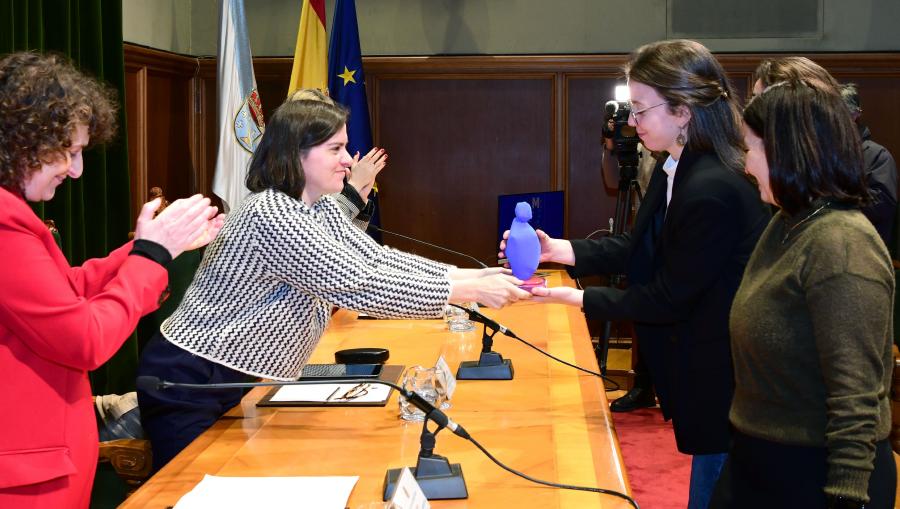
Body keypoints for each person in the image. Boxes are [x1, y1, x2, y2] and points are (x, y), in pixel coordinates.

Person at [137, 97, 531, 471]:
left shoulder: (317, 205)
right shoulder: (270, 212)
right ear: (296, 152)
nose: (347, 160)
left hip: (238, 375)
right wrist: (467, 293)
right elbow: (356, 285)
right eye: (335, 149)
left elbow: (377, 259)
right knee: (189, 493)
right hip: (191, 380)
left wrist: (469, 276)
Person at [501, 39, 770, 508]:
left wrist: (574, 300)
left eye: (641, 109)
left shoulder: (712, 189)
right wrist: (558, 251)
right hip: (703, 368)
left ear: (683, 111)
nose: (632, 122)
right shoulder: (678, 166)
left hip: (724, 377)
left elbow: (668, 297)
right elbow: (640, 246)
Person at [0, 52, 223, 508]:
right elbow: (85, 338)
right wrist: (151, 255)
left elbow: (67, 288)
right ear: (22, 142)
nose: (77, 170)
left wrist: (156, 246)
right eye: (71, 151)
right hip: (26, 482)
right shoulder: (5, 223)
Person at [710, 80, 895, 509]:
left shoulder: (841, 244)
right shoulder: (787, 222)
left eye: (751, 150)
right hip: (760, 460)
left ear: (789, 154)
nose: (745, 165)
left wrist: (846, 496)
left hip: (818, 476)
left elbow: (856, 400)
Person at [751, 57, 899, 250]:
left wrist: (821, 198)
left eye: (759, 100)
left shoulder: (874, 155)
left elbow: (880, 205)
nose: (752, 108)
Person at [288, 88, 387, 232]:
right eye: (334, 148)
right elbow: (316, 239)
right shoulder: (276, 200)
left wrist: (361, 197)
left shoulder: (324, 185)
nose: (347, 159)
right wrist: (353, 191)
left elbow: (345, 247)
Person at [841, 83, 898, 249]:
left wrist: (835, 197)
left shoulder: (878, 156)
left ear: (855, 115)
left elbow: (881, 205)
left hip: (864, 252)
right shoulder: (819, 152)